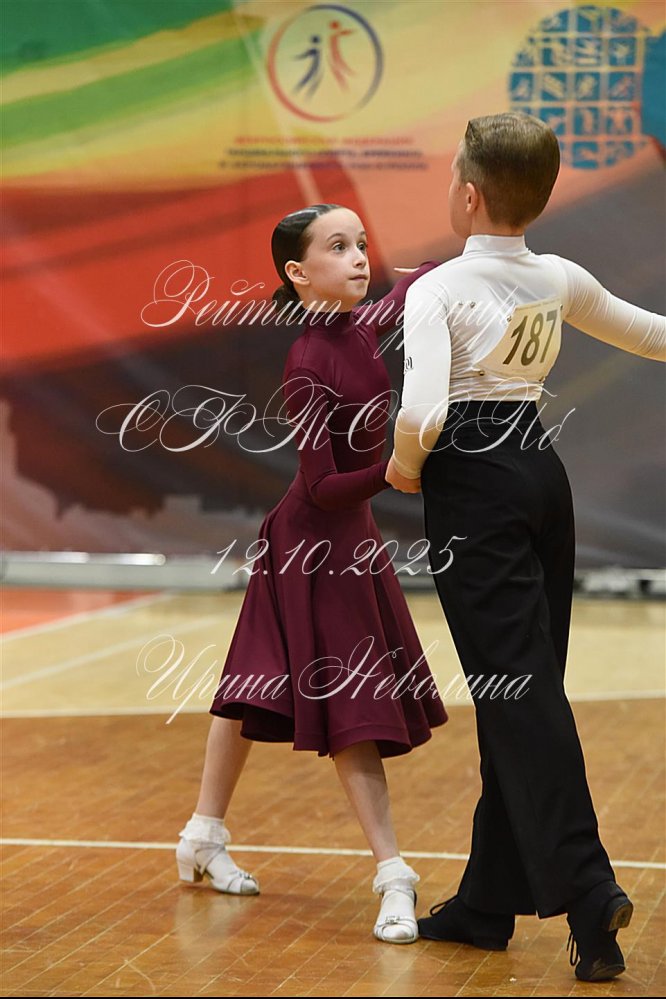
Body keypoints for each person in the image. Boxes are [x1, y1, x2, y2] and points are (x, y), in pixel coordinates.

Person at [384, 111, 666, 981]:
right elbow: (653, 334)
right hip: (542, 472)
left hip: (474, 482)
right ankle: (486, 900)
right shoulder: (558, 276)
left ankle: (588, 887)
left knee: (518, 693)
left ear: (469, 195)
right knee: (525, 690)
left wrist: (402, 469)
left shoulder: (436, 289)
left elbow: (423, 411)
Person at [176, 204, 448, 943]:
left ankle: (202, 832)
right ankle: (393, 874)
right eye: (338, 247)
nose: (359, 257)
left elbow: (411, 289)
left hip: (347, 541)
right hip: (311, 543)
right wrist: (397, 470)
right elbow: (324, 485)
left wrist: (470, 261)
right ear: (299, 273)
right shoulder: (306, 362)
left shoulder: (359, 328)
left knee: (251, 682)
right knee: (351, 708)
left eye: (361, 243)